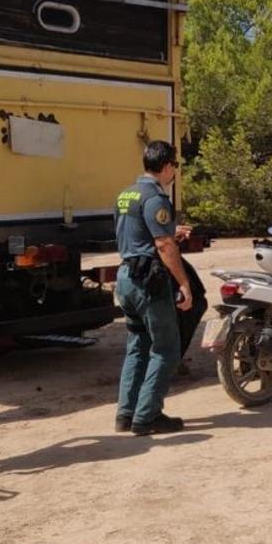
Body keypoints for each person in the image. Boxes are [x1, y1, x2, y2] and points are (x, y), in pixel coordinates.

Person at [113, 140, 192, 435]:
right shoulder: (156, 198)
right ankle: (147, 417)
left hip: (126, 277)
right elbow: (162, 244)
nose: (175, 173)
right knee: (166, 349)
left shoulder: (126, 194)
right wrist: (184, 284)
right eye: (175, 167)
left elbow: (138, 233)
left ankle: (125, 414)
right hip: (149, 281)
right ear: (168, 166)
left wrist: (171, 231)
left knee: (138, 346)